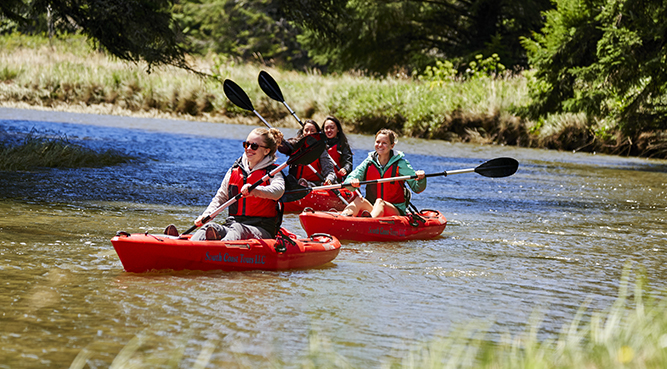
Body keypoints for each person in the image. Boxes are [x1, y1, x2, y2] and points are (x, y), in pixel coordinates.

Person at [164, 127, 285, 240]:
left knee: (238, 229)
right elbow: (221, 197)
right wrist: (206, 215)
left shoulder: (272, 172)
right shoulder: (235, 169)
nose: (248, 149)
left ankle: (215, 252)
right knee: (209, 227)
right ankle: (186, 245)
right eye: (246, 144)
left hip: (261, 229)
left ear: (266, 151)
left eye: (254, 146)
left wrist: (256, 191)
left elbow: (278, 191)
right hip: (233, 224)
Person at [341, 128, 426, 218]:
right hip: (373, 208)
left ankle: (369, 223)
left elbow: (417, 188)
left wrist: (421, 178)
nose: (380, 145)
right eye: (378, 142)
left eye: (384, 143)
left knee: (380, 202)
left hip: (395, 211)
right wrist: (352, 182)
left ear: (392, 146)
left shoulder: (401, 164)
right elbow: (349, 181)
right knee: (359, 199)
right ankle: (342, 219)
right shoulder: (368, 162)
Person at [284, 119, 337, 187]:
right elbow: (283, 148)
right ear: (302, 132)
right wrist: (279, 141)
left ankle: (303, 185)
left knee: (305, 185)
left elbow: (329, 171)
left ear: (317, 134)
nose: (309, 133)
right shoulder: (296, 146)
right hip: (294, 182)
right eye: (306, 130)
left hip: (313, 184)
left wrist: (329, 179)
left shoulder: (321, 150)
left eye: (312, 131)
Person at [322, 116, 353, 181]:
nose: (329, 130)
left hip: (337, 180)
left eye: (332, 128)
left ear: (338, 129)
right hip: (322, 179)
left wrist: (345, 169)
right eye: (326, 128)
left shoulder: (342, 145)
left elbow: (348, 162)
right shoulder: (319, 145)